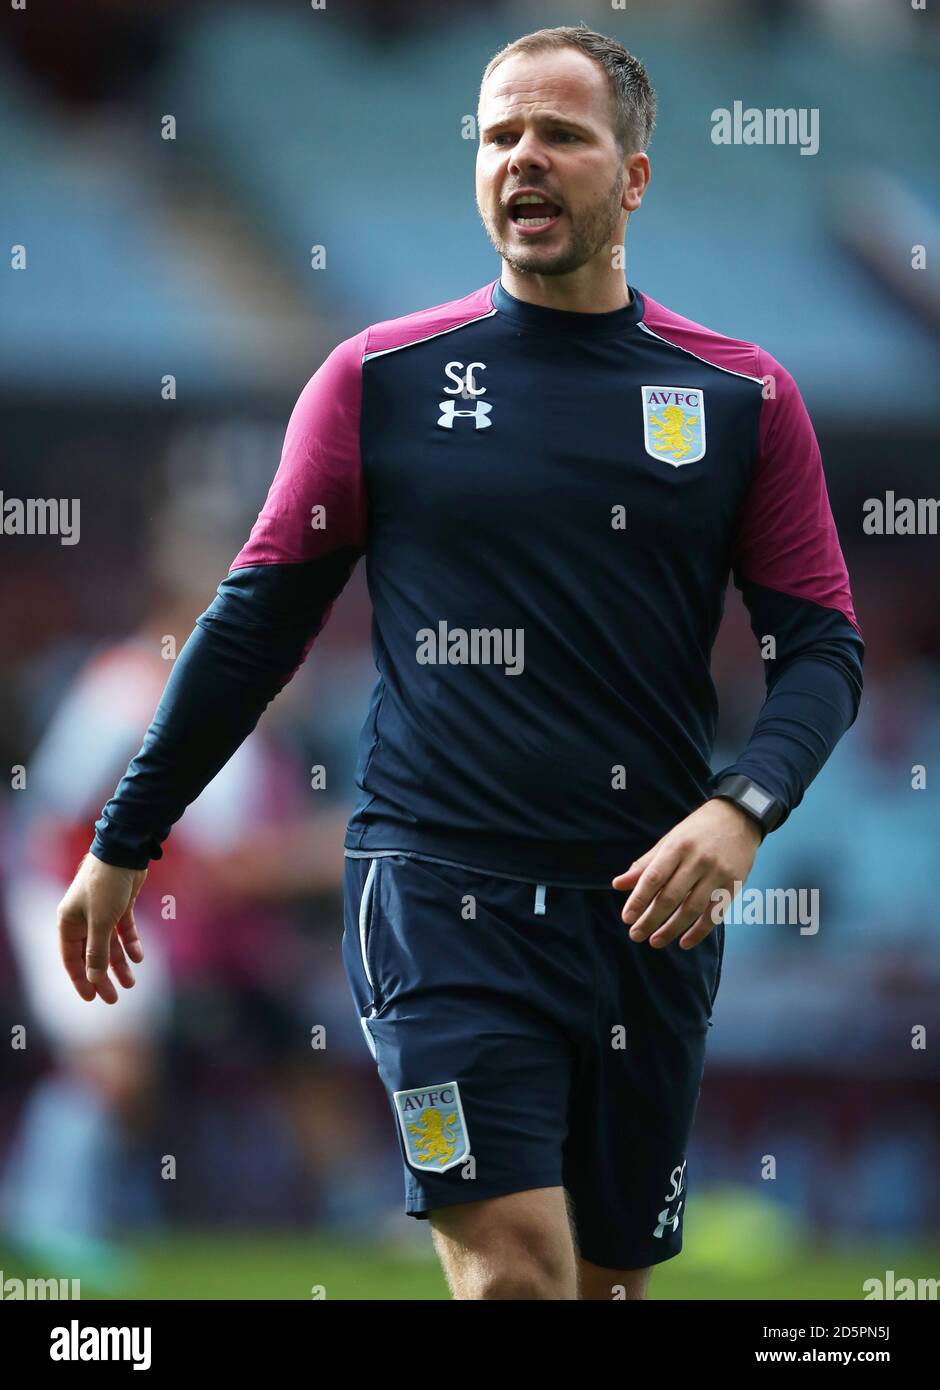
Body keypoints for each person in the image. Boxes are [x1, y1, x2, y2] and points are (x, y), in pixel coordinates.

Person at [56, 24, 864, 1300]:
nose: (522, 160)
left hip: (647, 914)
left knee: (601, 1287)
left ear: (634, 176)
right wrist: (126, 837)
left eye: (559, 134)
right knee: (514, 1281)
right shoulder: (377, 379)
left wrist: (741, 806)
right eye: (498, 136)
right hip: (438, 901)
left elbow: (820, 646)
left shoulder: (737, 397)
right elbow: (251, 625)